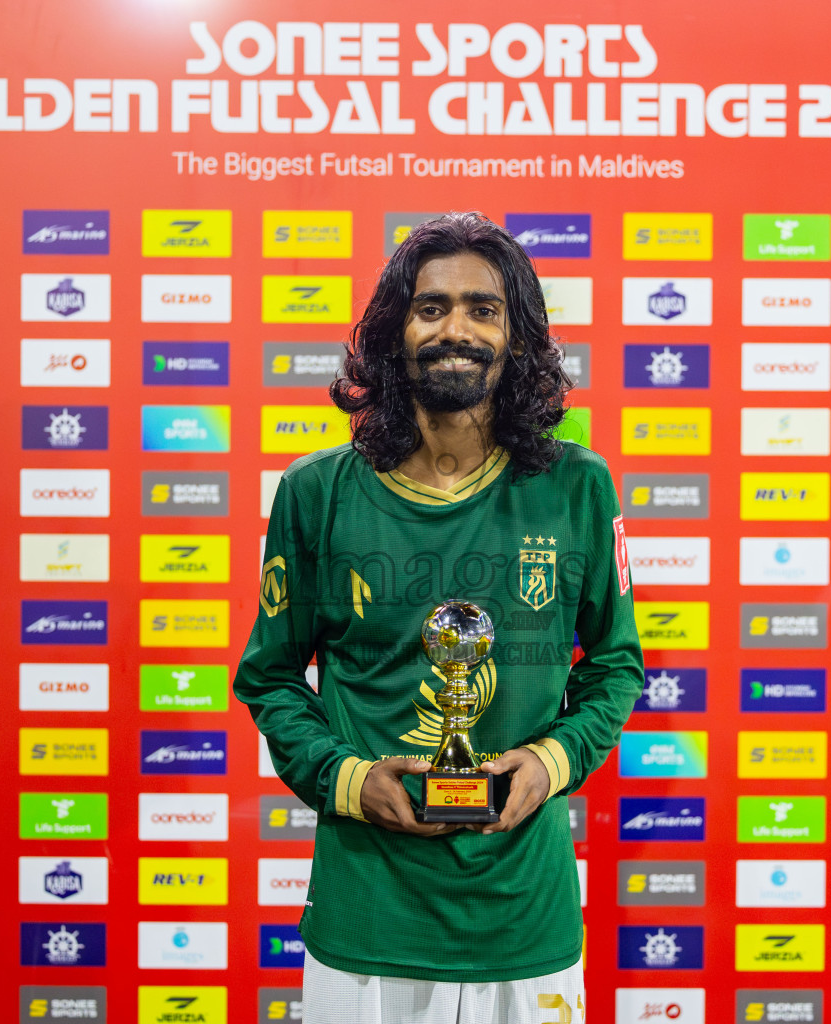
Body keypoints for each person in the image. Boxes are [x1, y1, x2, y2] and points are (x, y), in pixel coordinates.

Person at [234, 211, 644, 1023]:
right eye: (431, 307)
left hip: (524, 913)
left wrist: (549, 766)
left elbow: (614, 666)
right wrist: (350, 780)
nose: (455, 328)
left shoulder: (579, 488)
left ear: (518, 339)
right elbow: (271, 678)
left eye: (483, 310)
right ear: (394, 332)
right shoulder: (316, 492)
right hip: (368, 913)